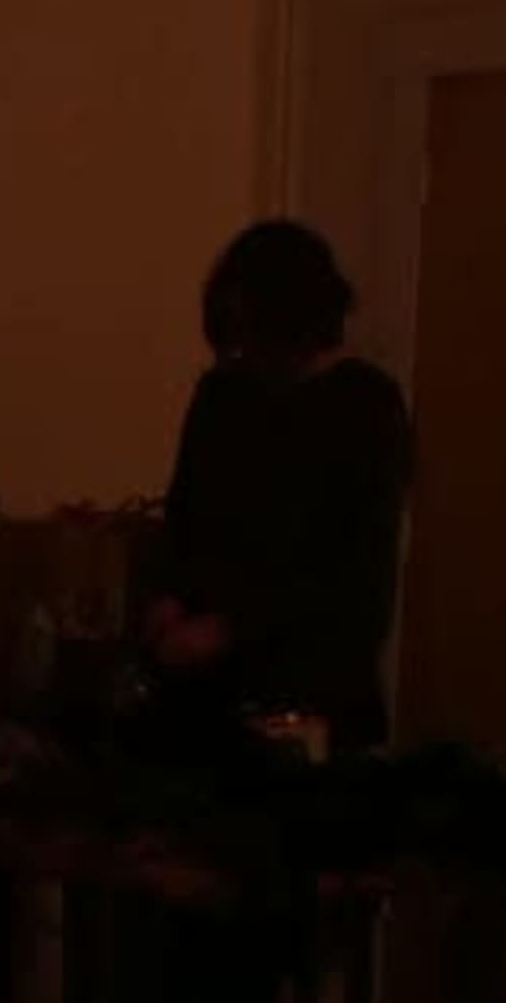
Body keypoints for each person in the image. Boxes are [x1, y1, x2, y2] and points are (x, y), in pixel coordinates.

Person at [142, 220, 415, 755]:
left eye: (252, 335)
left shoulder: (366, 408)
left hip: (309, 698)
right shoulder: (223, 395)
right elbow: (183, 519)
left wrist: (227, 629)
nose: (240, 354)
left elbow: (353, 580)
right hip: (204, 699)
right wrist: (168, 598)